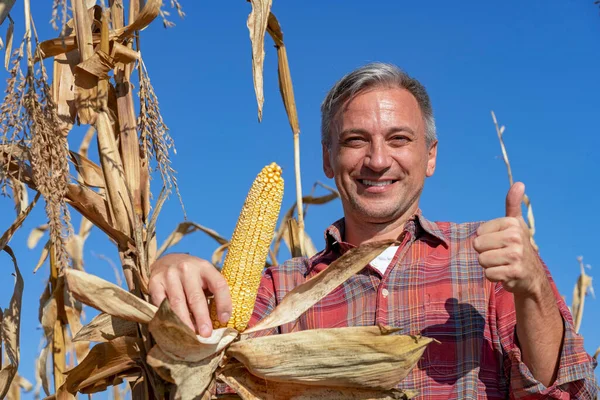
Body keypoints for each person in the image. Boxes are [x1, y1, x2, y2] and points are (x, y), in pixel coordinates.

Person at [149, 63, 598, 398]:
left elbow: (561, 392)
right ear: (328, 159)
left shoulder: (489, 260)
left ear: (431, 156)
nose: (378, 160)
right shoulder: (277, 290)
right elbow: (214, 381)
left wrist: (534, 286)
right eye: (355, 140)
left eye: (399, 139)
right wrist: (172, 277)